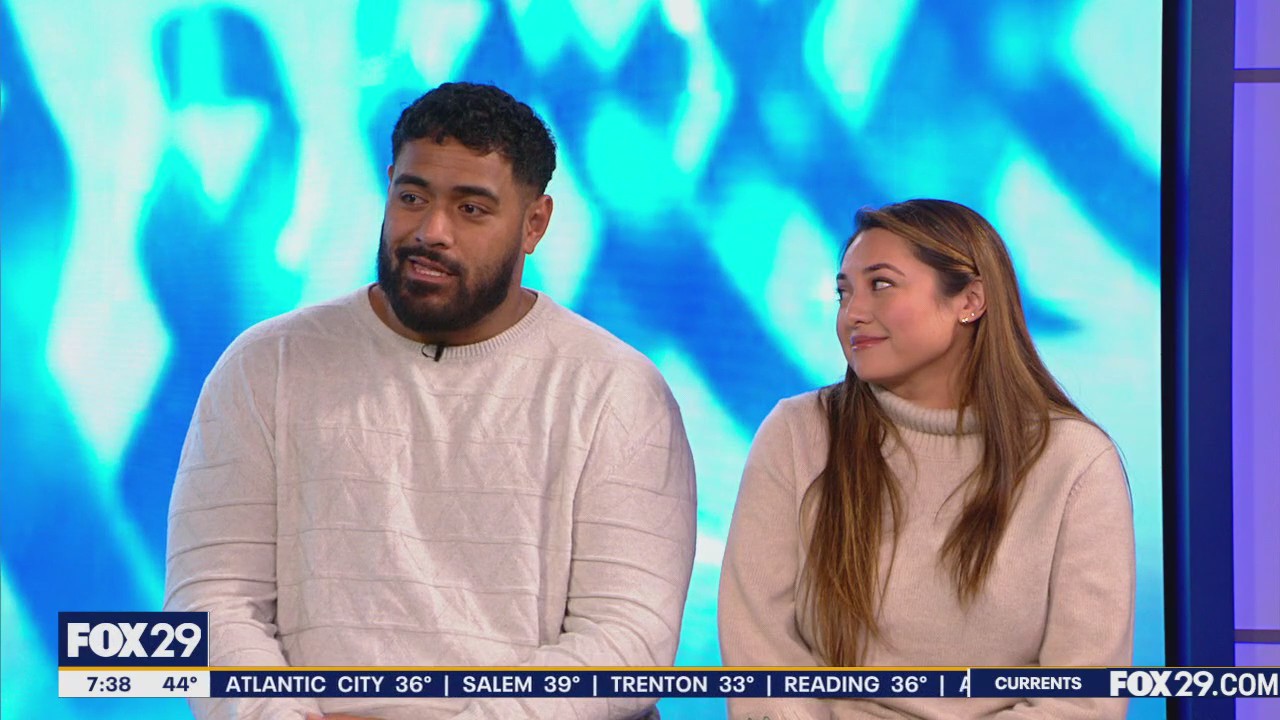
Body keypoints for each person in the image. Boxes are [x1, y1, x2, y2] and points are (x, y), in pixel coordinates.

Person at [164, 82, 697, 720]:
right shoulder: (265, 366)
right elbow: (212, 601)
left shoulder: (616, 391)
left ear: (535, 224)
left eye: (471, 209)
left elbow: (627, 640)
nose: (430, 232)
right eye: (412, 197)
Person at [718, 199, 1135, 719]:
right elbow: (761, 656)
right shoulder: (798, 433)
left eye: (881, 285)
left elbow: (1084, 699)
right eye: (844, 293)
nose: (853, 314)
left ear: (970, 301)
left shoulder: (1074, 462)